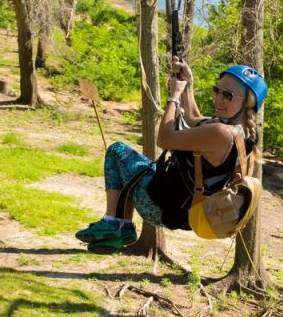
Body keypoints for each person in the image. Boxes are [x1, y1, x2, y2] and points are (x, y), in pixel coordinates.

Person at [75, 59, 268, 253]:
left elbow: (164, 139)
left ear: (247, 103)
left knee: (116, 151)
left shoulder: (221, 132)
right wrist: (188, 83)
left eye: (228, 95)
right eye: (217, 90)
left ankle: (112, 222)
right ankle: (122, 228)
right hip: (182, 213)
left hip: (160, 205)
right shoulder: (243, 135)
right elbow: (193, 118)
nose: (219, 99)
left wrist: (174, 97)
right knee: (140, 166)